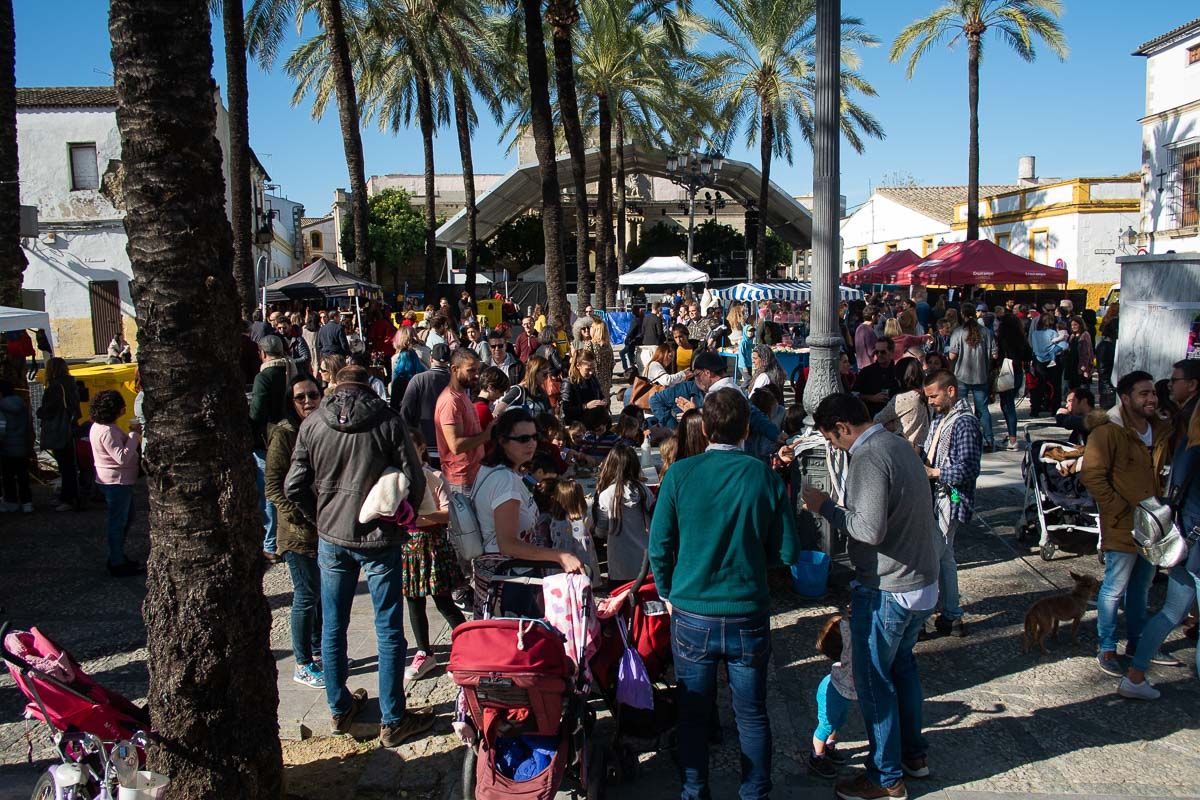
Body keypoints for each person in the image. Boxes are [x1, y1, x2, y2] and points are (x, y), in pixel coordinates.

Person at [649, 388, 799, 800]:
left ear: (705, 427)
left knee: (694, 712)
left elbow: (659, 546)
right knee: (751, 714)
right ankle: (755, 792)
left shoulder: (679, 475)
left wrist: (667, 591)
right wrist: (755, 560)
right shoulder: (764, 476)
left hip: (692, 611)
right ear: (747, 429)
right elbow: (787, 551)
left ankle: (694, 789)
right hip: (747, 609)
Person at [285, 364, 432, 746]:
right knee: (388, 630)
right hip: (379, 538)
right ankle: (392, 719)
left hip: (333, 536)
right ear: (369, 385)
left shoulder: (314, 423)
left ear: (334, 384)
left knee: (333, 627)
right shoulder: (387, 420)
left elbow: (293, 485)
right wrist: (405, 514)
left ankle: (338, 708)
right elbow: (414, 479)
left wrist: (318, 515)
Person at [802, 393, 938, 800]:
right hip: (919, 581)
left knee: (875, 680)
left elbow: (868, 529)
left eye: (832, 438)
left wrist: (825, 506)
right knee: (903, 670)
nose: (834, 446)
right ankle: (914, 755)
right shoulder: (897, 444)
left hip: (890, 588)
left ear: (843, 427)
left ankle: (885, 776)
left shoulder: (869, 456)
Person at [1079, 370, 1173, 677]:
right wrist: (1118, 509)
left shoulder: (1160, 429)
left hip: (1153, 525)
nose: (1151, 399)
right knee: (1113, 588)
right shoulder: (1107, 432)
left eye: (1153, 393)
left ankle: (1137, 642)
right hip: (1122, 524)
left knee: (1141, 588)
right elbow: (1092, 475)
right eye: (1143, 394)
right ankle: (1106, 646)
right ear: (1126, 398)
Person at [1119, 360, 1200, 698]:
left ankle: (1135, 675)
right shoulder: (1188, 431)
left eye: (1173, 382)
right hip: (1192, 537)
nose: (1168, 388)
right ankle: (1134, 675)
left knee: (1171, 610)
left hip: (1187, 535)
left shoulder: (1184, 430)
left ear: (1192, 385)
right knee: (1166, 608)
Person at [468, 409, 586, 613]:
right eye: (523, 439)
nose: (531, 443)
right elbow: (508, 544)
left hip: (502, 577)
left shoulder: (494, 470)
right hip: (508, 581)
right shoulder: (505, 482)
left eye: (534, 437)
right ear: (503, 441)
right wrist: (559, 555)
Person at [265, 375, 324, 689]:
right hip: (297, 532)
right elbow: (273, 487)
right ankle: (302, 663)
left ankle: (317, 651)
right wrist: (299, 514)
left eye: (312, 395)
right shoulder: (284, 435)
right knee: (305, 596)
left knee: (320, 594)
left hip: (322, 528)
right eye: (300, 397)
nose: (307, 402)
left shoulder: (320, 427)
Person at [401, 430, 467, 684]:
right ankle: (423, 651)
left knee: (443, 601)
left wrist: (419, 518)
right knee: (414, 602)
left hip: (432, 544)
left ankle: (467, 643)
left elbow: (447, 513)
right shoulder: (398, 477)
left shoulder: (434, 476)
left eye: (413, 447)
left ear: (420, 449)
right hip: (408, 547)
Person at [920, 369, 982, 638]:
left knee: (930, 559)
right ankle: (952, 615)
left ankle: (920, 618)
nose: (930, 402)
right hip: (938, 496)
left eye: (934, 396)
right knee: (944, 558)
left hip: (950, 497)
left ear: (951, 391)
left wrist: (934, 473)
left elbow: (968, 469)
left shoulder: (964, 423)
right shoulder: (939, 419)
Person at [87, 390, 143, 576]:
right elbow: (121, 458)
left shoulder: (99, 427)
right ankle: (117, 560)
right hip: (116, 481)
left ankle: (117, 555)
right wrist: (134, 436)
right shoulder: (108, 431)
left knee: (125, 518)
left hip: (113, 479)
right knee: (118, 522)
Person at [251, 334, 294, 563]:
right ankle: (286, 537)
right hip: (291, 436)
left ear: (263, 353)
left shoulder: (265, 376)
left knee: (269, 490)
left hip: (268, 440)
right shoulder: (292, 370)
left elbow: (257, 412)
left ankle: (271, 544)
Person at [434, 348, 491, 495]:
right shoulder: (450, 401)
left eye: (477, 370)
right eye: (471, 370)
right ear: (454, 369)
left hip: (473, 476)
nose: (477, 375)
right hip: (461, 481)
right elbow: (455, 446)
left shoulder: (462, 395)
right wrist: (486, 435)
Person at [807, 614, 856, 780]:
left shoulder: (853, 656)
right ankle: (817, 756)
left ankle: (828, 746)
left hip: (842, 694)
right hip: (831, 693)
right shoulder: (850, 657)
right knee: (826, 725)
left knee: (838, 721)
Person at [948, 307, 998, 451]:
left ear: (962, 315)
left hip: (961, 375)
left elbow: (952, 355)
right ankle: (989, 440)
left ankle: (962, 439)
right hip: (981, 375)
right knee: (982, 410)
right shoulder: (986, 332)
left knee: (960, 409)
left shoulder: (958, 332)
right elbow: (994, 355)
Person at [38, 357, 82, 511]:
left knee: (65, 466)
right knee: (70, 465)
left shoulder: (55, 387)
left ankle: (69, 498)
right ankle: (69, 496)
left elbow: (50, 409)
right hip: (71, 426)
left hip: (60, 429)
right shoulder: (70, 383)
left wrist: (40, 412)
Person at [401, 343, 452, 466]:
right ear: (449, 361)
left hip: (425, 446)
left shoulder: (418, 380)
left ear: (430, 359)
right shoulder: (457, 382)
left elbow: (406, 411)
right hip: (451, 447)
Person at [873, 357, 929, 451]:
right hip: (924, 447)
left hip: (904, 448)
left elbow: (877, 420)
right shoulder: (927, 395)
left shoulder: (903, 398)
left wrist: (894, 426)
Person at [995, 312, 1031, 451]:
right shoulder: (1021, 338)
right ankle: (1011, 436)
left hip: (1005, 371)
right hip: (1017, 372)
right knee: (1009, 405)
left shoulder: (1002, 339)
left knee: (1007, 405)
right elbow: (1028, 354)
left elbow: (998, 356)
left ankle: (1012, 439)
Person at [1028, 311, 1067, 416]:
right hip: (1052, 360)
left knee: (1039, 385)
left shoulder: (1035, 334)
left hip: (1038, 360)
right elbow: (1059, 346)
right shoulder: (1053, 333)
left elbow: (1032, 345)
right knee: (1055, 386)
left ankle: (1035, 408)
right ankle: (1055, 408)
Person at [854, 338, 899, 417]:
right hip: (872, 416)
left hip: (894, 416)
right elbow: (854, 394)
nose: (879, 355)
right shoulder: (866, 372)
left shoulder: (898, 371)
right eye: (876, 352)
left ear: (891, 353)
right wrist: (872, 398)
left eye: (883, 352)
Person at [561, 349, 606, 424]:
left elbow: (600, 395)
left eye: (593, 369)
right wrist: (585, 406)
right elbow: (566, 410)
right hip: (577, 424)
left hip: (594, 421)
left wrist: (603, 401)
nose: (591, 372)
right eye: (588, 369)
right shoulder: (569, 382)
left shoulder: (593, 379)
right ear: (578, 365)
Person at [390, 326, 427, 409]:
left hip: (403, 398)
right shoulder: (426, 351)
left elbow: (394, 382)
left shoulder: (396, 358)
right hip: (423, 394)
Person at [1061, 316, 1094, 392]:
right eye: (1072, 325)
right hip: (1072, 365)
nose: (1073, 327)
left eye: (1075, 325)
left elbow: (1086, 352)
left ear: (1080, 325)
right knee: (1072, 387)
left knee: (1082, 388)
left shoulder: (1085, 335)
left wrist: (1084, 367)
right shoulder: (1072, 336)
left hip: (1080, 365)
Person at [588, 316, 616, 400]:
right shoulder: (608, 345)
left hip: (593, 380)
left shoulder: (590, 344)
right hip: (606, 380)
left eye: (591, 327)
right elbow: (612, 363)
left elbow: (586, 362)